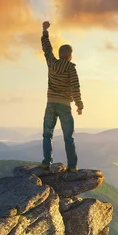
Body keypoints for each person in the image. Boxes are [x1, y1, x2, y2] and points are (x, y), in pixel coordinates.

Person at [39, 21, 83, 172]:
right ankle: (72, 166)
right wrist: (79, 105)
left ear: (59, 55)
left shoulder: (51, 63)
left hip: (50, 104)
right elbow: (75, 87)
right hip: (65, 105)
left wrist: (45, 31)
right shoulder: (71, 68)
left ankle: (46, 162)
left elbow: (46, 48)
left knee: (47, 135)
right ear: (70, 56)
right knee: (68, 137)